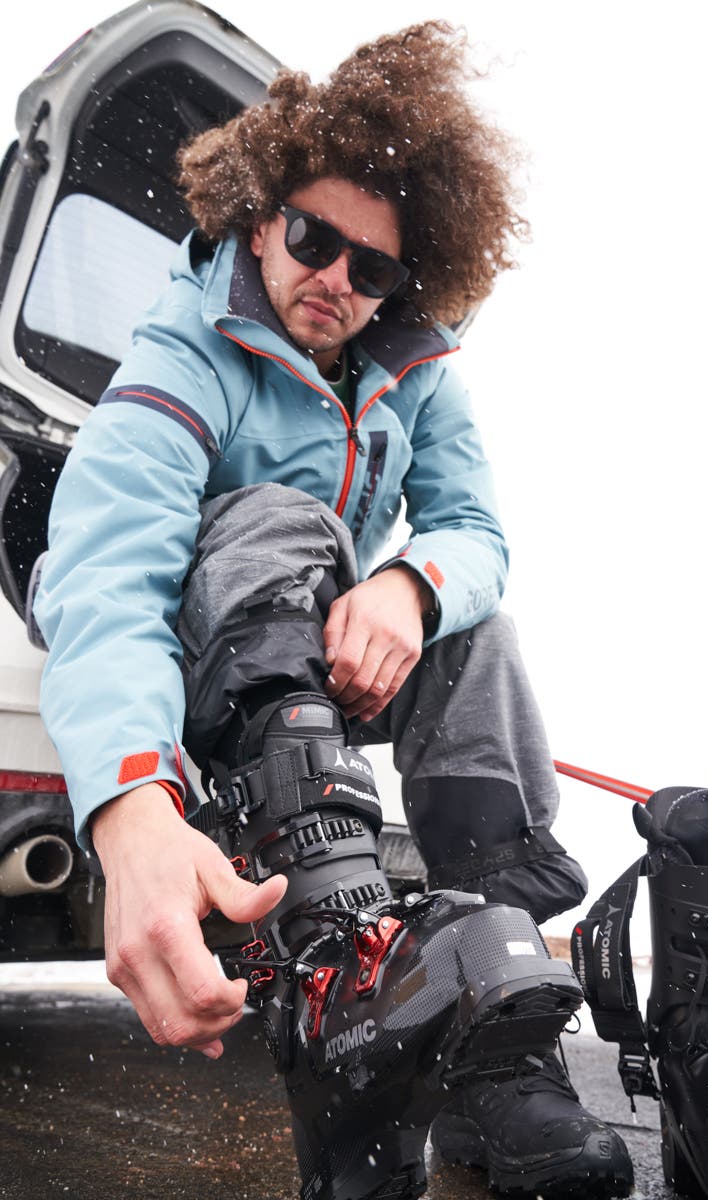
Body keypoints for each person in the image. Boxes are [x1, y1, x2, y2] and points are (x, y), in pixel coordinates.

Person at [34, 21, 633, 1199]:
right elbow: (103, 579)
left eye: (374, 271)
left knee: (478, 628)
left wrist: (411, 586)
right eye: (314, 239)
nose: (336, 281)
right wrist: (131, 804)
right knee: (278, 517)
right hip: (200, 657)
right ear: (258, 216)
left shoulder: (416, 378)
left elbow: (474, 535)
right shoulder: (183, 359)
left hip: (318, 662)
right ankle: (331, 975)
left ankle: (490, 1031)